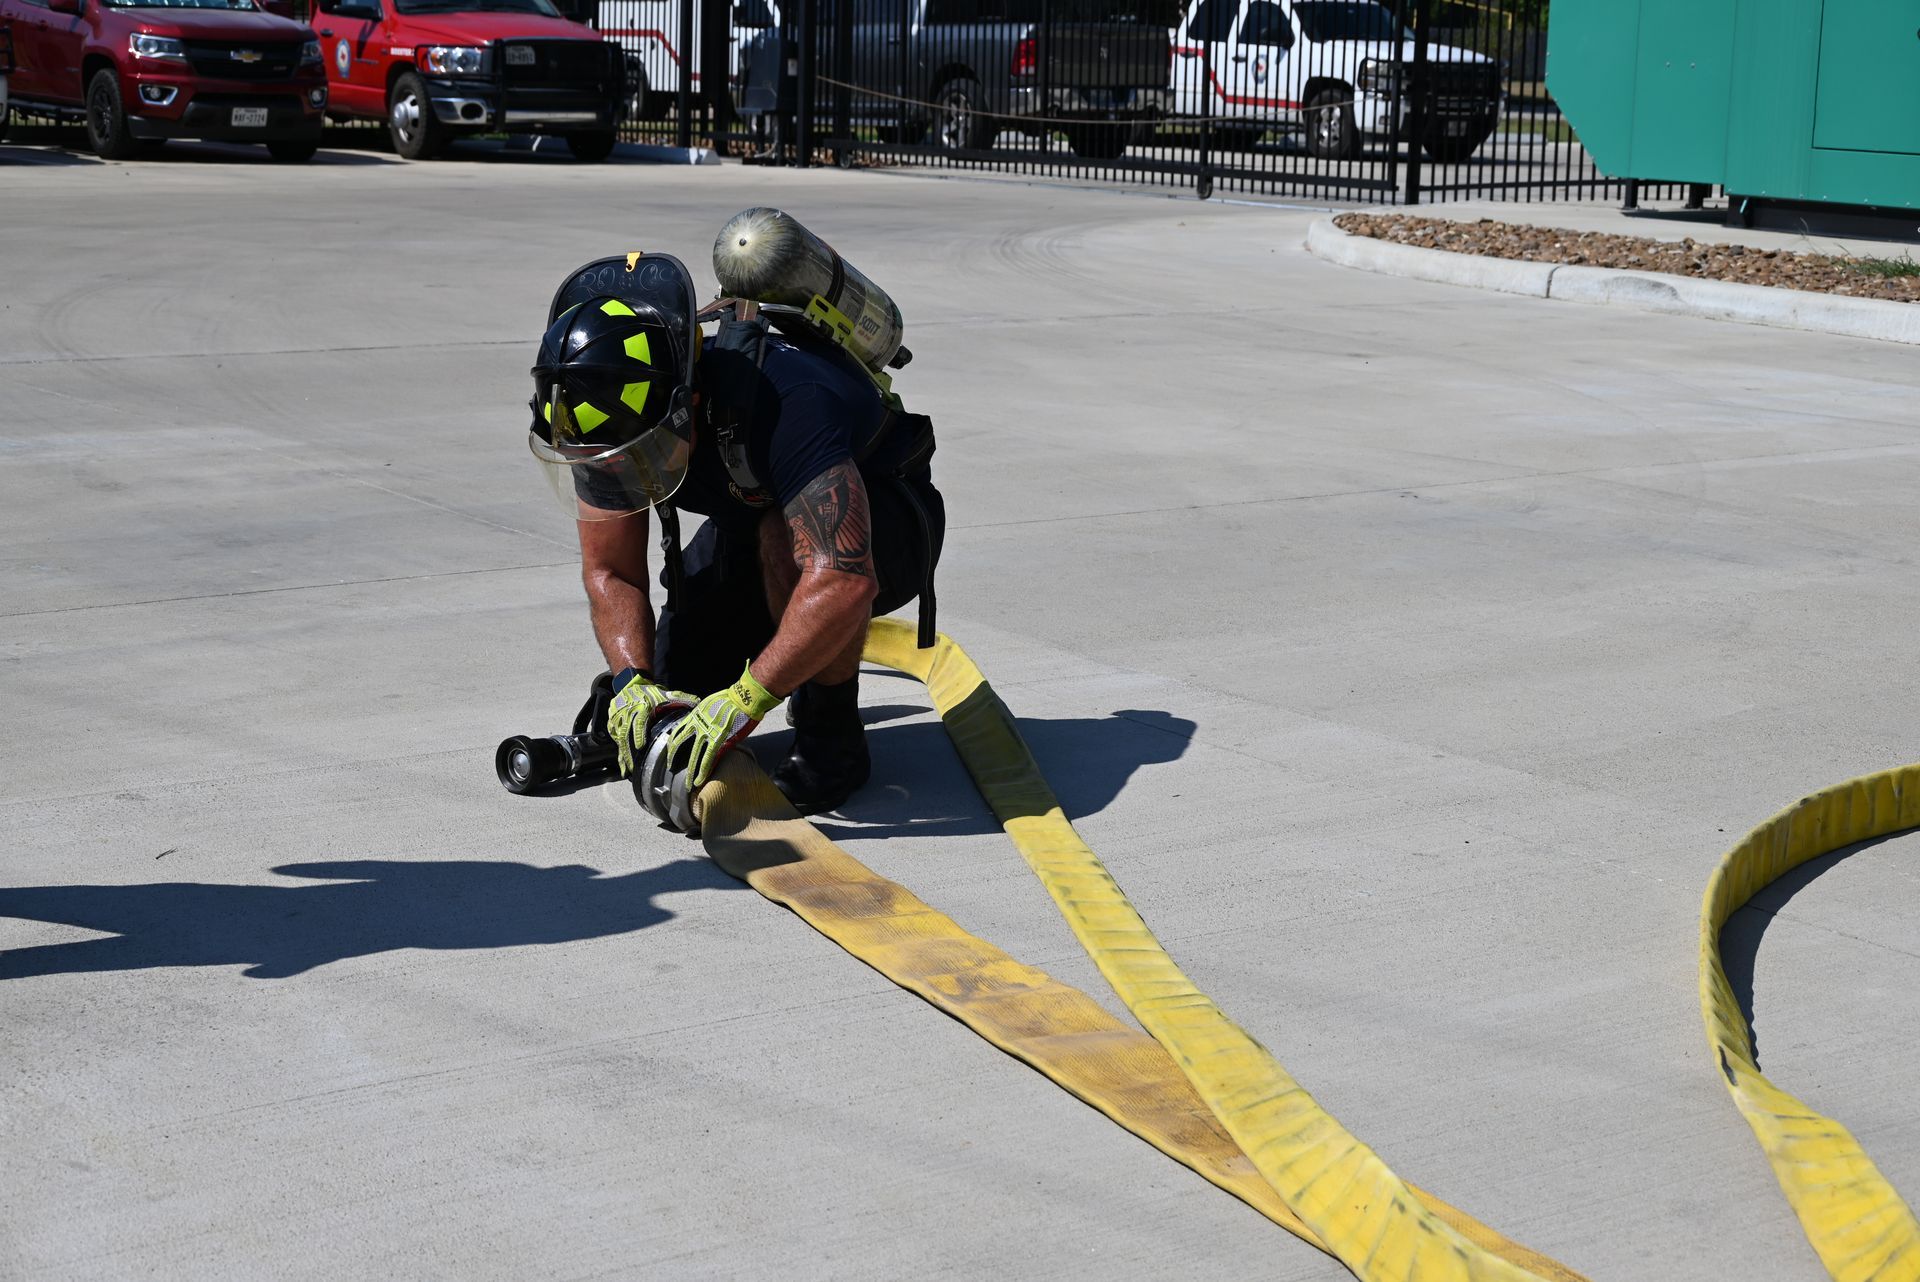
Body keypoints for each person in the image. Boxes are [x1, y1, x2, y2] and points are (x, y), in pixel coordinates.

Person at [524, 270, 944, 819]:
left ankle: (831, 731)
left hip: (882, 525)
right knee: (678, 704)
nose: (621, 475)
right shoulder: (596, 419)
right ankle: (774, 668)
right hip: (748, 521)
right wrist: (632, 681)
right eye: (608, 464)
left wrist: (747, 703)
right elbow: (611, 572)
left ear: (689, 402)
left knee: (783, 538)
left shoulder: (789, 397)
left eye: (637, 458)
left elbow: (842, 579)